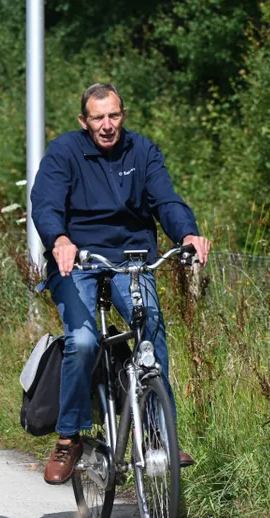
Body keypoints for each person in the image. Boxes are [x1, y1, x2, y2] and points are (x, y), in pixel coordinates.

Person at [31, 83, 212, 485]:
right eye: (98, 118)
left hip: (131, 258)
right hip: (77, 260)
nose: (107, 125)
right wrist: (59, 239)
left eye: (113, 115)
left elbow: (166, 199)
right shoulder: (64, 152)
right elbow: (45, 204)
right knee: (83, 341)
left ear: (123, 115)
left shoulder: (141, 150)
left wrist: (186, 232)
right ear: (84, 121)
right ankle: (69, 436)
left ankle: (156, 435)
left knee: (151, 328)